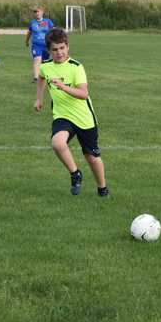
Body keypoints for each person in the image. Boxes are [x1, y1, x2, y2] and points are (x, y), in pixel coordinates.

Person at [34, 28, 108, 197]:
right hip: (62, 115)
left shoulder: (76, 67)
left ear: (67, 47)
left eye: (62, 48)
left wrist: (63, 87)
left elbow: (84, 94)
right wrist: (39, 98)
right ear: (49, 50)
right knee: (57, 143)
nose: (59, 52)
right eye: (55, 49)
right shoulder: (46, 66)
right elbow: (41, 78)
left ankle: (102, 189)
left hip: (84, 118)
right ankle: (75, 174)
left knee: (92, 157)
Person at [26, 6, 53, 83]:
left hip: (46, 45)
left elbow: (53, 31)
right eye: (35, 12)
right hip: (36, 45)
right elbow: (29, 33)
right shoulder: (32, 23)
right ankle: (35, 78)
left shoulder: (48, 21)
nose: (36, 13)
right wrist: (27, 41)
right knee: (37, 59)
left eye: (38, 11)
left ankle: (44, 77)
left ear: (42, 12)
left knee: (45, 61)